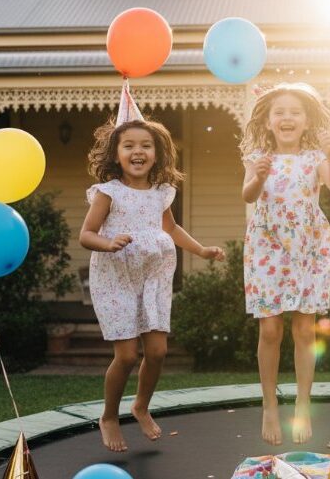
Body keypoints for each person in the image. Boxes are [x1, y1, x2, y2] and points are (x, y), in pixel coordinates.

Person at [80, 103, 225, 452]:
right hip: (116, 277)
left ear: (157, 154)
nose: (137, 151)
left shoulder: (161, 192)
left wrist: (201, 250)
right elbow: (86, 234)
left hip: (153, 278)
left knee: (158, 352)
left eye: (145, 145)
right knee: (127, 355)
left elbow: (171, 227)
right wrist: (108, 242)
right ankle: (110, 416)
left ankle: (141, 405)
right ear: (116, 154)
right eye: (129, 145)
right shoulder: (108, 192)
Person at [240, 82, 330, 445]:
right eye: (279, 112)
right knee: (270, 330)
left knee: (304, 330)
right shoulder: (258, 155)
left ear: (307, 120)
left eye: (295, 112)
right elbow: (248, 195)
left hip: (307, 246)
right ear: (268, 121)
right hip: (267, 246)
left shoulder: (315, 156)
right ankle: (270, 404)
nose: (287, 117)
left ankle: (303, 403)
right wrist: (257, 174)